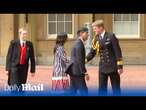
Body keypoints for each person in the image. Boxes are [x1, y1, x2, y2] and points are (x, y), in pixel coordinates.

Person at [86, 20, 123, 96]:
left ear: (101, 27)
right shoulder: (96, 39)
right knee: (102, 89)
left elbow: (117, 51)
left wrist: (120, 66)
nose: (94, 30)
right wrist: (84, 60)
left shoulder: (111, 36)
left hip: (113, 67)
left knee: (116, 89)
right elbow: (92, 52)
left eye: (95, 28)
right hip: (102, 67)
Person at [6, 28, 36, 92]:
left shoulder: (30, 44)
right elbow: (9, 56)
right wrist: (7, 69)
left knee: (22, 86)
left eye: (26, 34)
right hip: (14, 67)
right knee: (15, 85)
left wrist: (32, 70)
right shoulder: (13, 43)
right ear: (20, 34)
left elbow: (32, 58)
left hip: (24, 68)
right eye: (23, 34)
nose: (25, 35)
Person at [66, 27, 89, 96]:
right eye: (87, 33)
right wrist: (85, 73)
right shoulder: (79, 44)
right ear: (81, 33)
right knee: (84, 91)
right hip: (77, 72)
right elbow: (80, 60)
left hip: (74, 70)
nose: (88, 35)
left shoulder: (77, 42)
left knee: (72, 91)